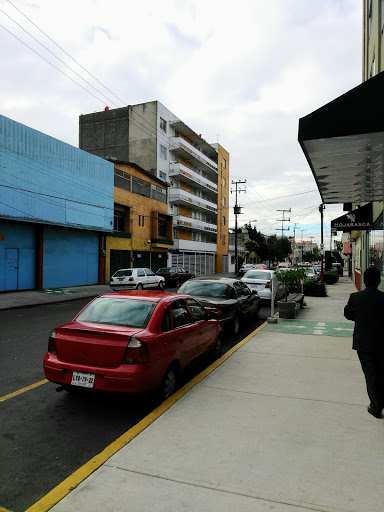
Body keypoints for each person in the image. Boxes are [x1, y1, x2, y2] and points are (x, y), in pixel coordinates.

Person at [344, 267, 384, 419]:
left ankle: (376, 406)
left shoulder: (356, 297)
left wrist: (361, 317)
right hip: (382, 343)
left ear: (365, 281)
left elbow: (348, 314)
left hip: (364, 343)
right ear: (379, 281)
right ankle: (379, 402)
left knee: (370, 374)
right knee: (381, 372)